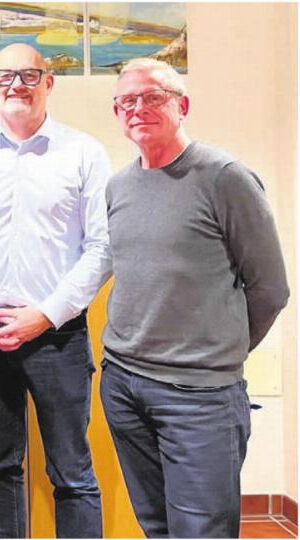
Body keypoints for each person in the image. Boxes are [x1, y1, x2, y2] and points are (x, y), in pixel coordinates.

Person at [102, 57, 289, 538]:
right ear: (117, 113)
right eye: (127, 101)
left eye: (153, 97)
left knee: (202, 531)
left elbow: (270, 289)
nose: (138, 108)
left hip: (199, 397)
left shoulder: (224, 178)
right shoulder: (119, 187)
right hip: (124, 384)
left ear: (181, 106)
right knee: (156, 526)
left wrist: (217, 351)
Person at [0, 43, 111, 538]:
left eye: (28, 75)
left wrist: (45, 314)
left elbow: (103, 247)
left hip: (57, 336)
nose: (16, 85)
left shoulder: (84, 152)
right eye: (5, 76)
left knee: (71, 472)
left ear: (49, 82)